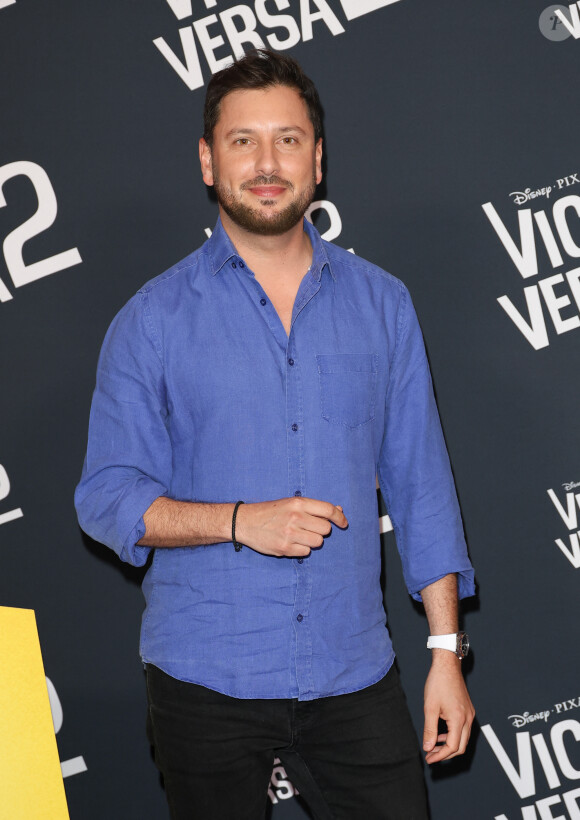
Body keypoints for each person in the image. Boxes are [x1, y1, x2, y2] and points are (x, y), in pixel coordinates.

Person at [75, 49, 475, 820]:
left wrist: (447, 655)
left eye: (288, 140)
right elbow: (106, 498)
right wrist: (238, 521)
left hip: (354, 671)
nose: (266, 163)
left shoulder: (383, 305)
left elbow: (424, 490)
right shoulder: (152, 321)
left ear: (318, 160)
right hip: (204, 678)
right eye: (242, 141)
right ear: (206, 159)